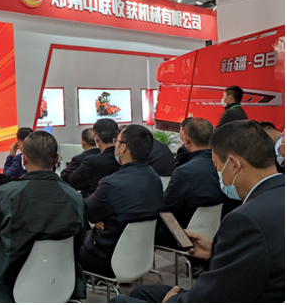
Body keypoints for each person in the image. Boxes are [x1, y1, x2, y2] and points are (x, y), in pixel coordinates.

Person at [111, 120, 285, 303]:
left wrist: (171, 301)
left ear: (234, 165)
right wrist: (214, 252)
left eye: (217, 167)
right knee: (143, 293)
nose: (218, 174)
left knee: (120, 301)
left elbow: (215, 297)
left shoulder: (245, 220)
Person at [0, 131, 87, 303]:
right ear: (56, 159)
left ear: (24, 159)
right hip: (60, 287)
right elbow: (79, 244)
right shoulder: (75, 198)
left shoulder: (4, 195)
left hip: (5, 290)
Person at [79, 124, 164, 278]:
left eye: (117, 142)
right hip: (142, 256)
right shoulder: (155, 178)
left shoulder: (111, 184)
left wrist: (96, 218)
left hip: (105, 258)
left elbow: (85, 211)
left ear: (123, 148)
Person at [155, 118, 225, 275]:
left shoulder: (185, 171)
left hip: (184, 235)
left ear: (185, 139)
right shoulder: (224, 165)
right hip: (217, 230)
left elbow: (167, 208)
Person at [67, 119, 121, 199]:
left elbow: (72, 182)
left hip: (95, 203)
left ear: (97, 138)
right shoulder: (124, 158)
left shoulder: (92, 161)